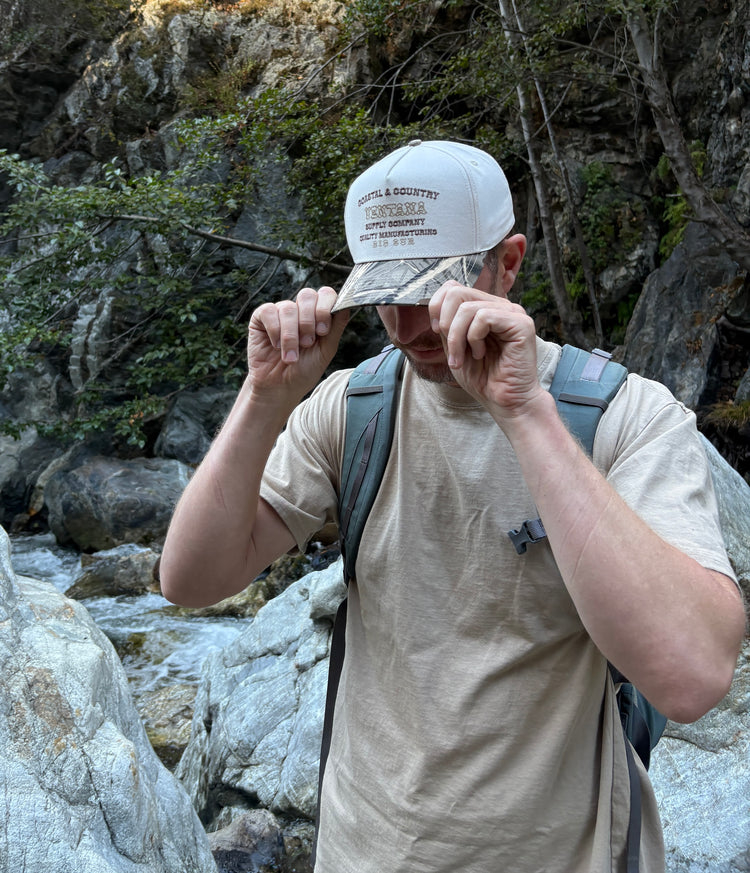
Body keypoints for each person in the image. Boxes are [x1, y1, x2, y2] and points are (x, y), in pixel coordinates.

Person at [160, 140, 745, 873]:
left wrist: (526, 412)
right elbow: (189, 579)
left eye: (431, 289)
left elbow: (691, 675)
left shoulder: (629, 420)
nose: (406, 327)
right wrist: (264, 399)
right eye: (383, 295)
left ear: (510, 262)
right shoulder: (352, 409)